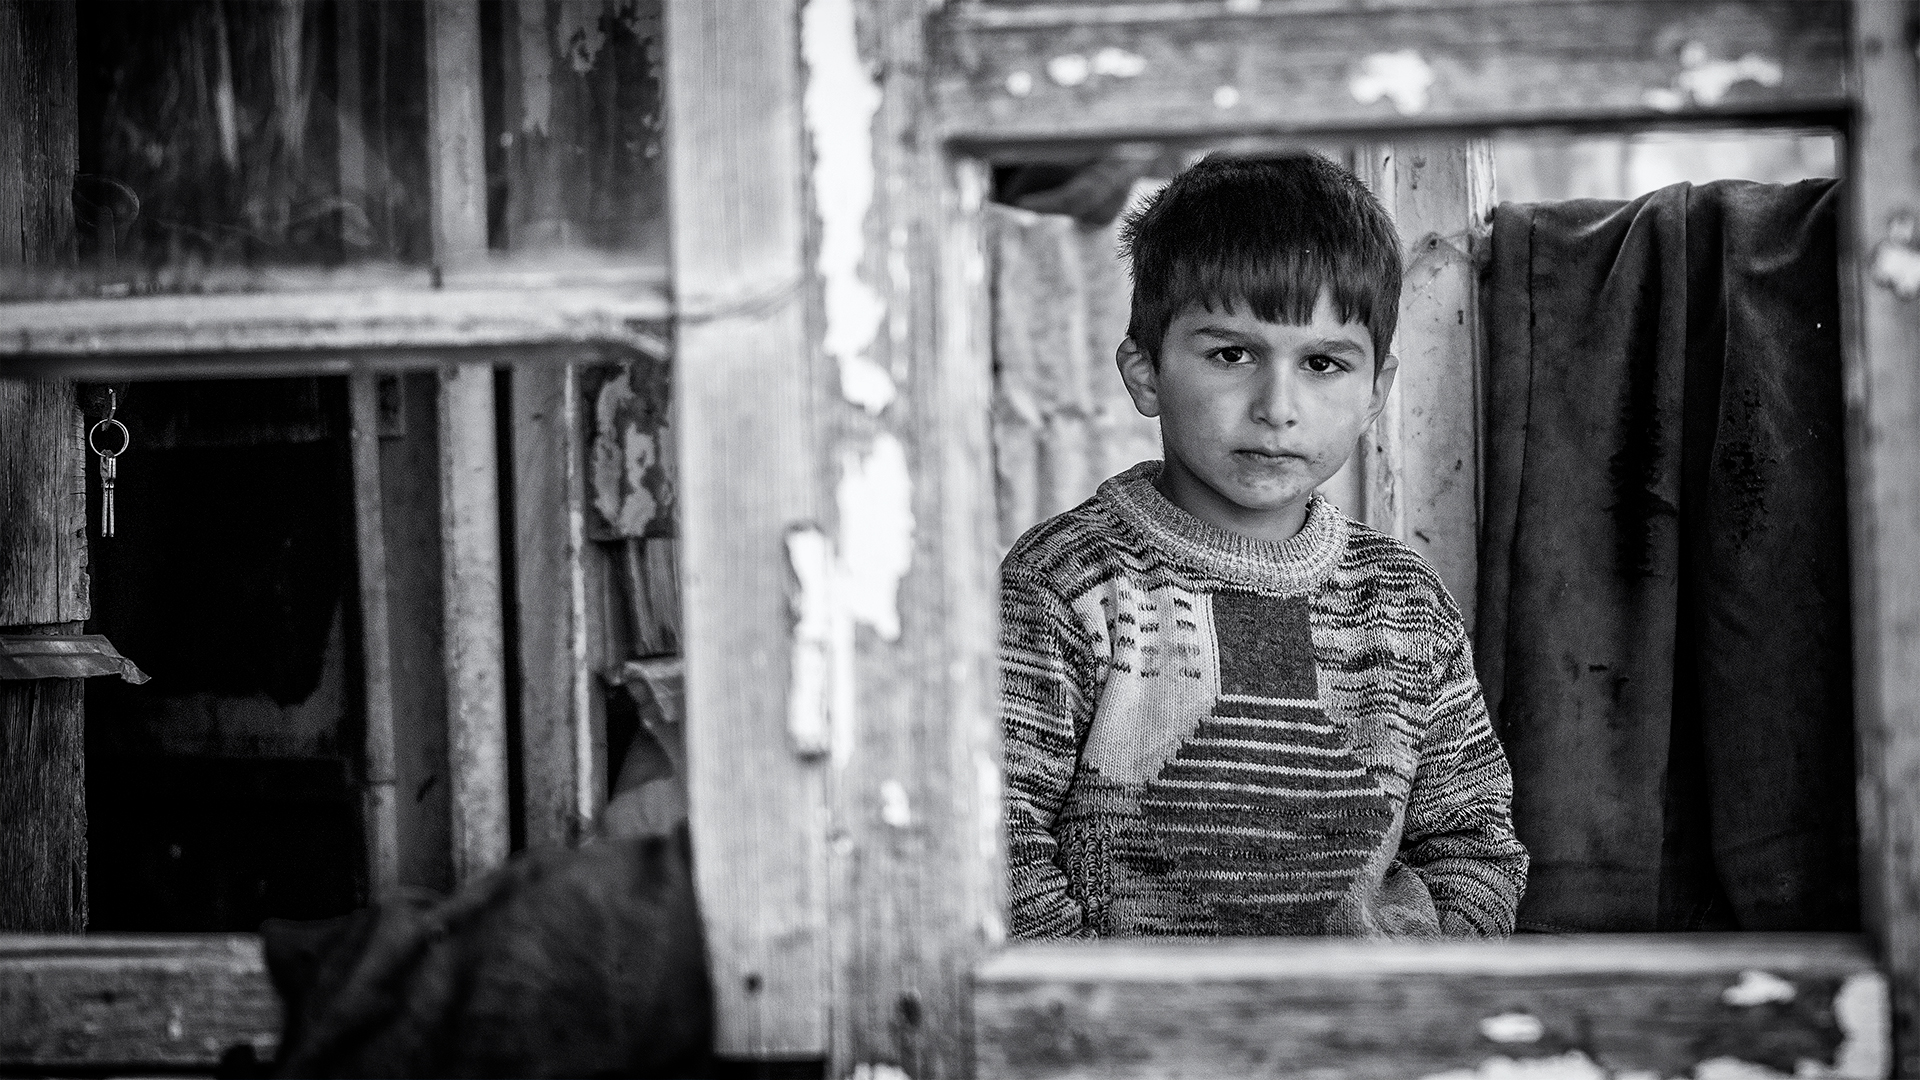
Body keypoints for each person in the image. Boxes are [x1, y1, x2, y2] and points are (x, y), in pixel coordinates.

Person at [1000, 152, 1528, 939]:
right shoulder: (1065, 585)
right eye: (1232, 355)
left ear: (1375, 392)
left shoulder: (1405, 603)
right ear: (1145, 373)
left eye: (1322, 363)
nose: (1277, 407)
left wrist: (1421, 984)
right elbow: (1000, 846)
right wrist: (1099, 1003)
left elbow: (1473, 844)